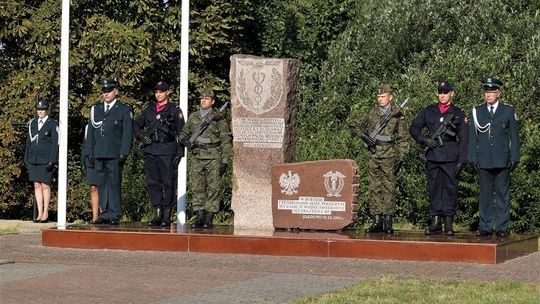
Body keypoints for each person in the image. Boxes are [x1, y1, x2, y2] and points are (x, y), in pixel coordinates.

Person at [409, 81, 468, 236]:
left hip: (450, 156)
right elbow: (414, 127)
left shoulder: (458, 113)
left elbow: (464, 138)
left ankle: (448, 222)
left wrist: (462, 160)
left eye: (446, 92)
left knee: (450, 189)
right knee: (434, 188)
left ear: (452, 93)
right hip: (433, 156)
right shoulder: (429, 111)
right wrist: (424, 140)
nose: (442, 95)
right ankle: (435, 222)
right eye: (440, 92)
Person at [349, 84, 409, 234]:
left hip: (389, 155)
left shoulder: (397, 115)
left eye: (383, 96)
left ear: (390, 97)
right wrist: (364, 136)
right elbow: (353, 125)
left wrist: (402, 157)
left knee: (389, 187)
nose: (380, 99)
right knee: (374, 187)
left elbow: (403, 138)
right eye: (378, 97)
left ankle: (388, 220)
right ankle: (377, 219)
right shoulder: (371, 113)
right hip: (374, 154)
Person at [469, 77, 520, 238]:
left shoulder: (508, 111)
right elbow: (473, 137)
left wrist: (515, 157)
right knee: (484, 195)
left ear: (498, 93)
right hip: (484, 159)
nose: (488, 95)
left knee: (502, 195)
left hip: (502, 159)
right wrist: (473, 158)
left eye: (491, 92)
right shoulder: (477, 111)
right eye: (486, 92)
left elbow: (514, 136)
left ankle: (502, 226)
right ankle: (485, 226)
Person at [178, 89, 232, 229]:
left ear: (213, 101)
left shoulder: (218, 118)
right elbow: (183, 133)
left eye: (207, 99)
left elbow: (225, 140)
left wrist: (225, 160)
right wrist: (185, 141)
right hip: (197, 155)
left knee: (214, 187)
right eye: (201, 98)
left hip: (213, 156)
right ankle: (199, 216)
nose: (203, 101)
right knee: (197, 187)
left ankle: (209, 217)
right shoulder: (194, 117)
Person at [133, 81, 185, 227]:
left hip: (168, 150)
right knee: (153, 183)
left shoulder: (174, 110)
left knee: (168, 183)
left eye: (161, 92)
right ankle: (157, 213)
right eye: (156, 92)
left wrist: (180, 153)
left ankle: (167, 215)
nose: (158, 94)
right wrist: (142, 137)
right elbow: (136, 124)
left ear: (167, 92)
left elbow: (182, 132)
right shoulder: (149, 110)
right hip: (151, 150)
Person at [85, 79, 133, 225]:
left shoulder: (123, 109)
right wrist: (89, 152)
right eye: (104, 91)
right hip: (98, 152)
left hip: (114, 153)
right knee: (102, 185)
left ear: (115, 91)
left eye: (109, 90)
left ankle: (115, 213)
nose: (106, 94)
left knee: (114, 184)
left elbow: (127, 133)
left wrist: (124, 152)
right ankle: (105, 213)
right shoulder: (96, 109)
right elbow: (91, 133)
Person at [24, 98, 58, 223]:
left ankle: (45, 212)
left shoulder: (52, 123)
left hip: (46, 159)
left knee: (45, 185)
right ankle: (39, 212)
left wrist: (52, 160)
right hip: (34, 158)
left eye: (43, 109)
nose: (40, 111)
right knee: (36, 185)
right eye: (39, 109)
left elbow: (55, 143)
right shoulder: (33, 123)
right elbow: (29, 142)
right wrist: (26, 157)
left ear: (47, 110)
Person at [81, 124, 99, 224]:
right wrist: (83, 161)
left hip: (103, 157)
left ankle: (106, 214)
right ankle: (95, 216)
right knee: (93, 187)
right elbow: (85, 145)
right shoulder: (88, 127)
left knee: (105, 188)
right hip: (90, 160)